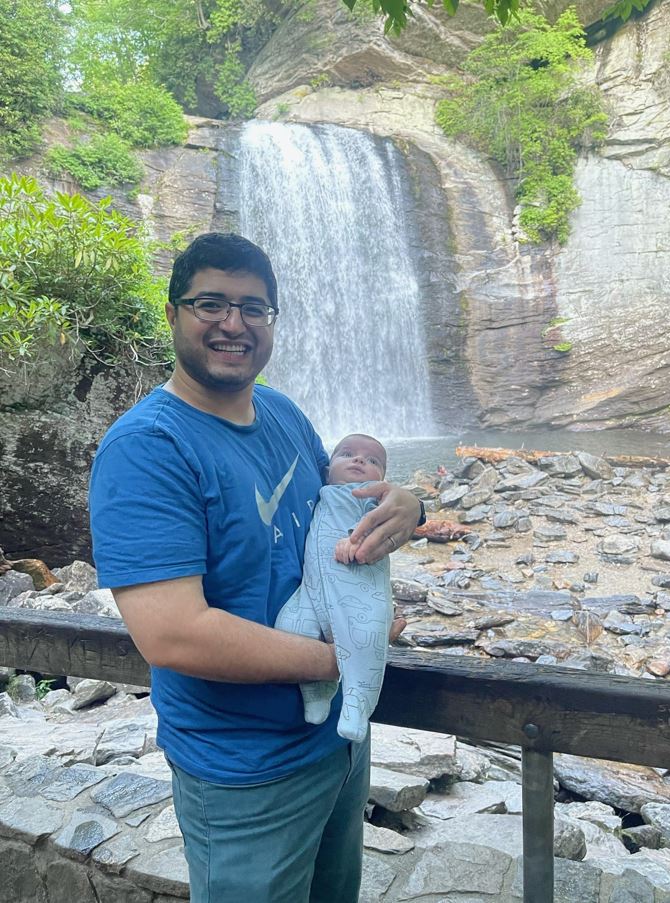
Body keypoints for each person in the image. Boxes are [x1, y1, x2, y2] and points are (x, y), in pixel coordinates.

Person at [88, 232, 425, 903]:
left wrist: (411, 505)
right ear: (172, 313)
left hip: (337, 746)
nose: (233, 323)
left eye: (253, 307)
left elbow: (342, 507)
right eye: (210, 303)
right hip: (244, 773)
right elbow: (174, 634)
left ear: (271, 319)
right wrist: (347, 658)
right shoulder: (148, 449)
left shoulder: (281, 411)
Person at [276, 433, 394, 744]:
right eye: (347, 454)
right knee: (292, 626)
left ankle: (358, 704)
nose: (359, 460)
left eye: (372, 461)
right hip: (313, 587)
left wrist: (357, 538)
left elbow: (380, 526)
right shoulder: (323, 492)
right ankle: (317, 692)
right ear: (327, 471)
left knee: (366, 637)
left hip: (357, 586)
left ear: (382, 480)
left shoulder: (372, 499)